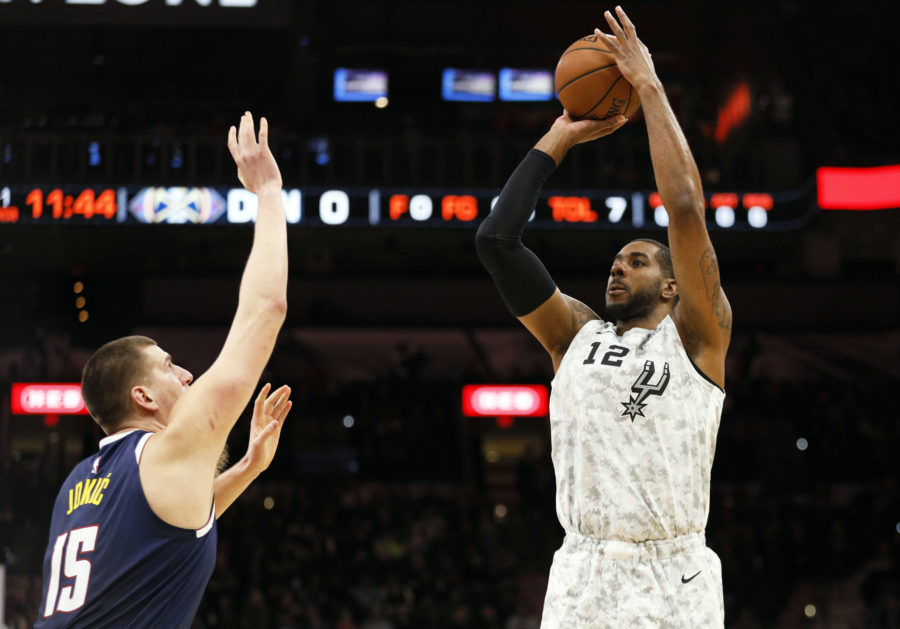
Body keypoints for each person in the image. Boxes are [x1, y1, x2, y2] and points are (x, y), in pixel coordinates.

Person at [475, 7, 731, 628]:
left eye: (637, 261)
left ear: (674, 286)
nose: (617, 268)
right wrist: (561, 135)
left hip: (675, 571)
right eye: (616, 261)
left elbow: (687, 206)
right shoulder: (575, 335)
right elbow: (497, 242)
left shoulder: (699, 340)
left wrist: (648, 85)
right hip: (582, 571)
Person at [36, 112, 293, 628]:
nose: (188, 377)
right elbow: (266, 309)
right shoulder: (163, 452)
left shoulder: (78, 482)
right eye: (170, 368)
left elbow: (165, 532)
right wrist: (267, 191)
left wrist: (247, 469)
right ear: (143, 398)